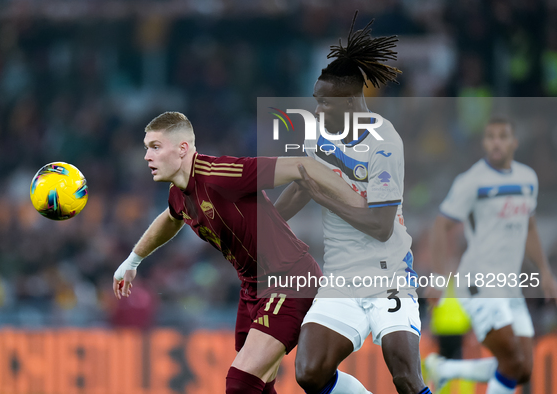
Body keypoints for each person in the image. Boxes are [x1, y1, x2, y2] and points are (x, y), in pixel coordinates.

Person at [112, 111, 365, 394]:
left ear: (183, 148)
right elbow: (171, 217)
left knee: (240, 382)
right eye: (147, 148)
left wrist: (362, 207)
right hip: (252, 290)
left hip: (289, 279)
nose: (147, 156)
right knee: (265, 385)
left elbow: (301, 165)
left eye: (155, 147)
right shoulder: (178, 193)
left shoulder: (221, 175)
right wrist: (133, 260)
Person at [275, 15, 431, 394]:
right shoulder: (318, 139)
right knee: (310, 372)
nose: (317, 111)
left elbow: (380, 226)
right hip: (342, 278)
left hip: (388, 275)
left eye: (323, 102)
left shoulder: (384, 143)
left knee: (405, 378)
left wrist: (324, 196)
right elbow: (300, 189)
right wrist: (262, 225)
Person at [425, 118, 557, 394]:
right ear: (485, 143)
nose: (496, 142)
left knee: (522, 368)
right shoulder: (472, 181)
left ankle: (447, 369)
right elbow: (441, 225)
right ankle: (447, 369)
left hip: (509, 285)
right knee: (512, 361)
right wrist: (437, 279)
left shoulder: (527, 179)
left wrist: (545, 271)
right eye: (491, 137)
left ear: (514, 142)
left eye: (502, 136)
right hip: (478, 282)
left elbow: (529, 226)